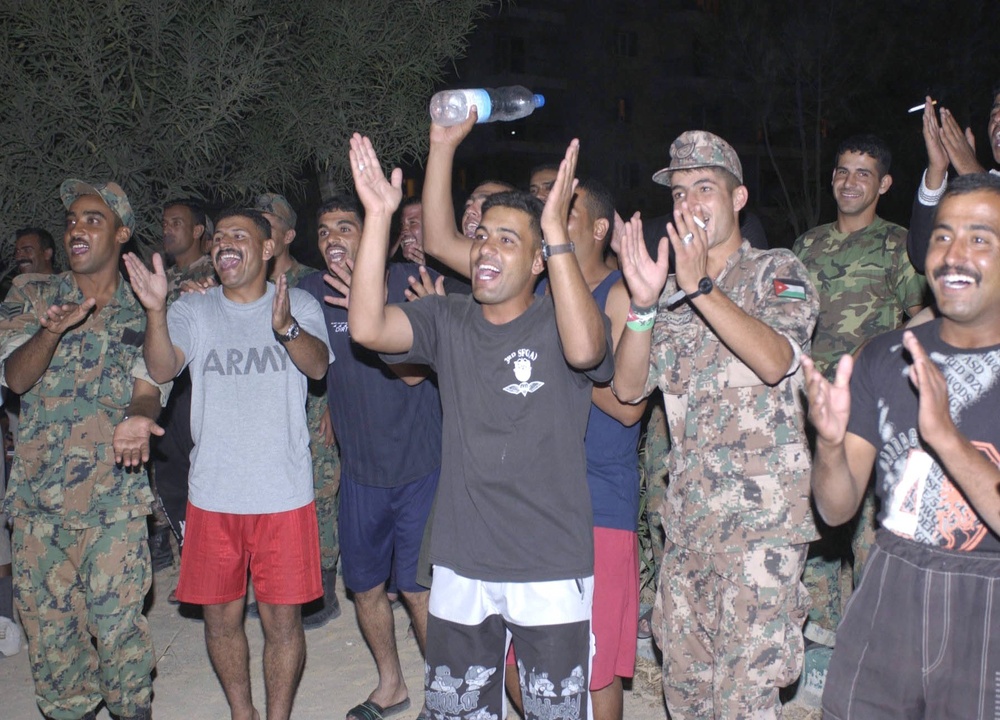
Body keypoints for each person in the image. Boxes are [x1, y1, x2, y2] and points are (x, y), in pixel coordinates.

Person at [350, 122, 612, 720]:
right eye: (483, 237)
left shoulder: (560, 317)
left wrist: (556, 236)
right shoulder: (447, 318)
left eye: (509, 240)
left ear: (540, 260)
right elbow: (367, 328)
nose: (487, 249)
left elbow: (586, 353)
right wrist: (378, 218)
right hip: (462, 558)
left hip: (549, 562)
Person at [612, 130, 819, 719]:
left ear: (739, 198)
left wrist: (700, 284)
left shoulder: (776, 271)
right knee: (687, 698)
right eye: (678, 193)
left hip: (762, 539)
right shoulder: (670, 298)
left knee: (744, 705)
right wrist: (646, 304)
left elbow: (778, 359)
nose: (688, 205)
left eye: (704, 188)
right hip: (688, 533)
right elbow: (629, 390)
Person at [803, 172, 1000, 719]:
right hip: (890, 584)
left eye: (980, 238)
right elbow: (836, 508)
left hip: (989, 598)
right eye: (942, 236)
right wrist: (832, 444)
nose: (953, 255)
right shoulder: (885, 357)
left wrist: (946, 439)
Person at [124, 207, 332, 720]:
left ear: (266, 249)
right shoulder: (193, 310)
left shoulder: (298, 301)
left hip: (283, 494)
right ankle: (244, 713)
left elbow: (319, 365)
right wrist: (155, 310)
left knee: (283, 626)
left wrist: (284, 328)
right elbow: (162, 367)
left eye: (240, 235)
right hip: (214, 495)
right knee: (221, 623)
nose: (224, 243)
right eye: (219, 237)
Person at [0, 179, 168, 720]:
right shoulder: (31, 295)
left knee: (121, 640)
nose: (77, 228)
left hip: (113, 505)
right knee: (54, 651)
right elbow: (15, 379)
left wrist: (140, 421)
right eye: (72, 218)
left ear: (121, 233)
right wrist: (49, 333)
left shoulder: (144, 307)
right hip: (36, 511)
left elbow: (151, 387)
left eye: (93, 220)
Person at [296, 194, 442, 720]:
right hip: (360, 473)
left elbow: (422, 365)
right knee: (363, 587)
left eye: (345, 228)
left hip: (422, 466)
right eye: (324, 231)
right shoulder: (310, 292)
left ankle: (445, 696)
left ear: (371, 232)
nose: (333, 239)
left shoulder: (408, 281)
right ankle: (391, 684)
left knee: (418, 589)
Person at [792, 134, 927, 677]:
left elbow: (924, 317)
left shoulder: (899, 245)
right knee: (815, 526)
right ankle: (821, 645)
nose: (850, 182)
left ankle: (875, 651)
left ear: (885, 184)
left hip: (874, 411)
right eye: (842, 171)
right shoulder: (805, 246)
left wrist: (878, 357)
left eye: (863, 173)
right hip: (812, 408)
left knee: (873, 531)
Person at [251, 192, 342, 629]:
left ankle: (323, 586)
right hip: (269, 410)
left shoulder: (313, 281)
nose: (262, 229)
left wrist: (331, 406)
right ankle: (279, 586)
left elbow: (332, 347)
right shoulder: (247, 283)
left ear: (287, 234)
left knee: (320, 492)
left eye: (270, 222)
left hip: (312, 404)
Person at [150, 198, 215, 583]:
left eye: (177, 222)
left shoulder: (216, 272)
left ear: (197, 231)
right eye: (164, 222)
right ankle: (193, 567)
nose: (167, 229)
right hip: (167, 396)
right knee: (172, 484)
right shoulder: (160, 279)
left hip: (203, 392)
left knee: (209, 479)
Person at [907, 90, 1000, 273]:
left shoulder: (984, 183)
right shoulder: (990, 182)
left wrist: (974, 175)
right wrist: (937, 170)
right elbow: (924, 256)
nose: (997, 119)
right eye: (994, 113)